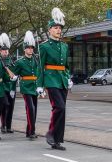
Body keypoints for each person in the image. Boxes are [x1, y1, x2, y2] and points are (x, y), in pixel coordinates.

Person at [36, 8, 73, 150]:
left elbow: (66, 65)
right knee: (59, 107)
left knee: (63, 110)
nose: (58, 30)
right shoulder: (44, 47)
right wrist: (39, 85)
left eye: (59, 28)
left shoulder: (64, 46)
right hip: (50, 80)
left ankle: (57, 141)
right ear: (49, 29)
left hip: (62, 79)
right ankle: (51, 132)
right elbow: (40, 66)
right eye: (55, 28)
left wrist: (69, 78)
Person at [14, 31, 39, 140]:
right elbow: (15, 74)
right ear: (24, 49)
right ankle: (32, 131)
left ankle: (29, 130)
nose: (30, 50)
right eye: (28, 48)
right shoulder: (20, 62)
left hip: (34, 87)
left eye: (32, 48)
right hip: (26, 87)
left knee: (35, 109)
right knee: (30, 109)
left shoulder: (36, 60)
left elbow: (39, 74)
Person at [0, 33, 16, 134]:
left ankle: (8, 126)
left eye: (6, 50)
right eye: (3, 50)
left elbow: (14, 75)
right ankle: (3, 125)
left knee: (11, 107)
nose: (5, 51)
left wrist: (13, 89)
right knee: (5, 104)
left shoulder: (12, 60)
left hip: (11, 87)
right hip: (3, 87)